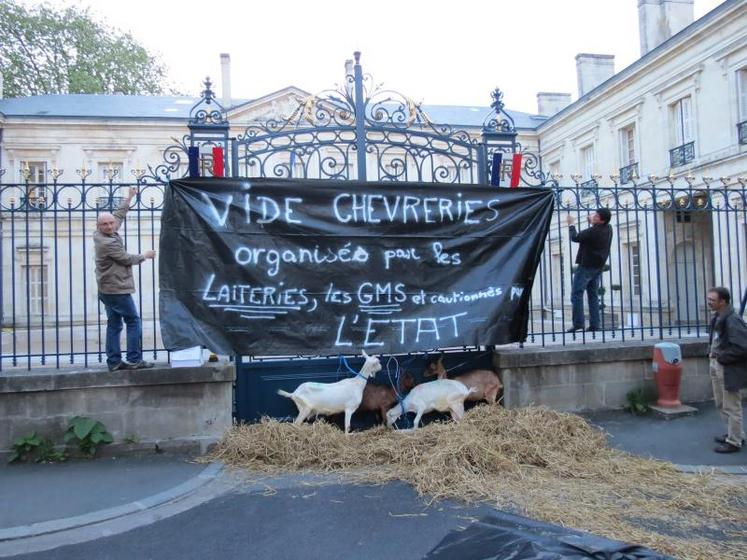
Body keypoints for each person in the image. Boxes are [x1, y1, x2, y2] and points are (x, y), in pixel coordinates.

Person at [94, 187, 156, 371]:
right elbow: (126, 259)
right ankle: (134, 359)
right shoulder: (108, 242)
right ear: (99, 226)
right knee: (133, 321)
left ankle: (114, 362)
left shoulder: (102, 234)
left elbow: (118, 216)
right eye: (105, 224)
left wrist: (129, 197)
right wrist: (146, 255)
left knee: (114, 324)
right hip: (116, 290)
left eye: (111, 223)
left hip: (106, 288)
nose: (110, 226)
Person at [706, 287, 746, 453]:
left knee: (732, 405)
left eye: (712, 300)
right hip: (716, 364)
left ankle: (735, 441)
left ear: (723, 301)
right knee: (721, 402)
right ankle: (734, 434)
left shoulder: (732, 320)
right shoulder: (718, 317)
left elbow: (742, 347)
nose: (709, 303)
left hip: (728, 367)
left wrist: (721, 357)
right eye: (708, 299)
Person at [565, 209, 613, 333]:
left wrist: (571, 224)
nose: (593, 216)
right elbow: (594, 234)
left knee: (576, 294)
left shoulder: (593, 231)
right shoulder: (608, 228)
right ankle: (595, 325)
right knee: (593, 295)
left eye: (596, 216)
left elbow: (575, 237)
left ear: (602, 220)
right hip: (598, 267)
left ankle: (578, 323)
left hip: (586, 266)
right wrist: (592, 223)